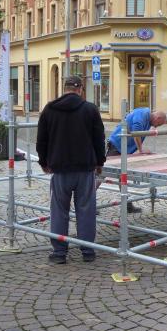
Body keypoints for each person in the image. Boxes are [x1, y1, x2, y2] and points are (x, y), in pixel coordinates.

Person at [36, 75, 106, 264]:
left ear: (64, 88)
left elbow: (41, 140)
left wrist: (44, 162)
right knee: (86, 210)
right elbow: (99, 138)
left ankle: (59, 252)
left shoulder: (49, 109)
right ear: (80, 89)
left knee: (59, 211)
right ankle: (88, 251)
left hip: (60, 169)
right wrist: (100, 162)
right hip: (85, 168)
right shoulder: (90, 109)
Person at [106, 107, 167, 213]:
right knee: (102, 174)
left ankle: (127, 205)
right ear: (157, 118)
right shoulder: (142, 114)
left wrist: (150, 131)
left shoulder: (146, 118)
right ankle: (88, 204)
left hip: (123, 147)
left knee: (122, 175)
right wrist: (141, 150)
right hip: (116, 145)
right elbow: (136, 132)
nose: (156, 126)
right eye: (158, 124)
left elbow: (138, 131)